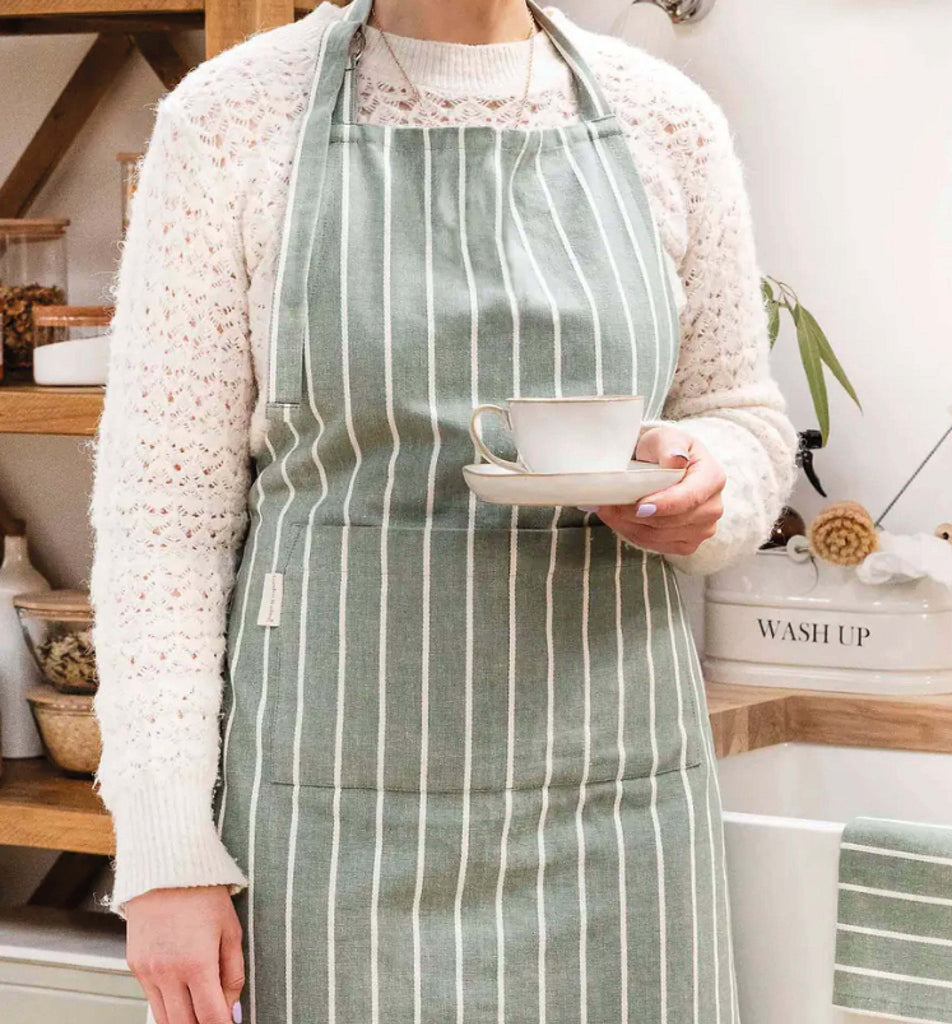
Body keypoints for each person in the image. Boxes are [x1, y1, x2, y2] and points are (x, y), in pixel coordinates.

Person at [87, 1, 798, 1022]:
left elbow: (738, 412)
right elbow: (164, 520)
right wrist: (165, 854)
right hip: (331, 823)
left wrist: (709, 485)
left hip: (615, 806)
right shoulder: (234, 118)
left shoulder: (665, 119)